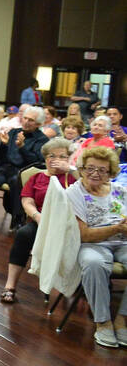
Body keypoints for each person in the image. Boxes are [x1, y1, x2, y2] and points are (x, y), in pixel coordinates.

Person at [0, 138, 77, 303]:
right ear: (45, 158)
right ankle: (10, 285)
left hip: (70, 224)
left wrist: (70, 169)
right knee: (23, 234)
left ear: (68, 159)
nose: (55, 160)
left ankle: (71, 285)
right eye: (51, 156)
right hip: (41, 221)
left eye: (62, 156)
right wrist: (37, 217)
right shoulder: (36, 178)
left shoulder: (73, 178)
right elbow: (27, 202)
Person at [69, 146, 127, 346]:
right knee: (94, 263)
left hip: (123, 242)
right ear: (82, 169)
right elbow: (84, 234)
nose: (95, 174)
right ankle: (103, 322)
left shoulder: (120, 190)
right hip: (92, 243)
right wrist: (115, 228)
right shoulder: (74, 192)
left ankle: (122, 319)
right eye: (90, 168)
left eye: (101, 170)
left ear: (110, 173)